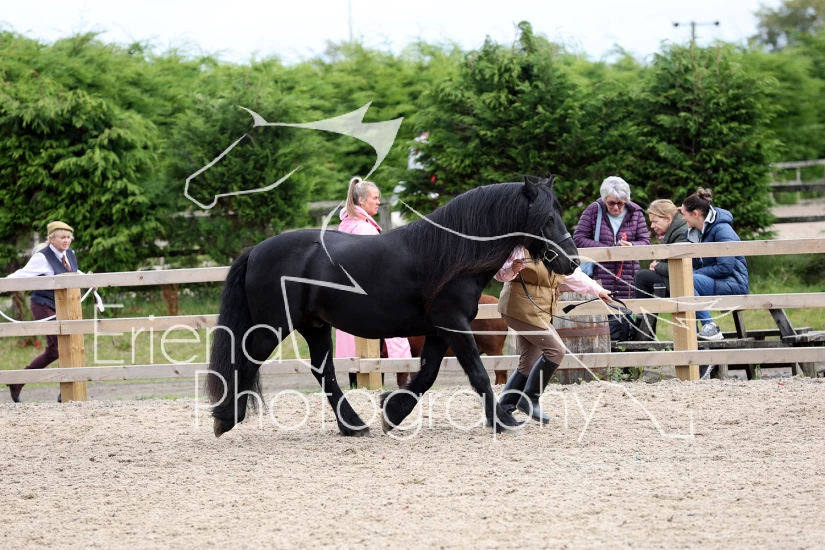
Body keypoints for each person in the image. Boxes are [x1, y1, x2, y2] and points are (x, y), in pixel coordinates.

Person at [495, 247, 610, 423]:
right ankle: (530, 399)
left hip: (538, 311)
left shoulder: (553, 248)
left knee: (528, 363)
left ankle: (502, 413)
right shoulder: (520, 247)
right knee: (556, 350)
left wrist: (598, 290)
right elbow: (500, 274)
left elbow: (572, 274)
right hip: (519, 308)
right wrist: (512, 268)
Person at [335, 176, 412, 388]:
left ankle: (359, 387)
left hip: (348, 299)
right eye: (375, 198)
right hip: (369, 297)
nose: (378, 202)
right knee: (385, 339)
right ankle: (389, 383)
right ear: (362, 200)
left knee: (355, 349)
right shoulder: (364, 229)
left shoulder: (346, 225)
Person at [5, 221, 83, 403]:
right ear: (51, 239)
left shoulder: (70, 254)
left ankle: (18, 382)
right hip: (43, 305)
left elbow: (75, 272)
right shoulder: (42, 257)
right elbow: (22, 274)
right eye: (62, 237)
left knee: (56, 350)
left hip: (64, 306)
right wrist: (3, 284)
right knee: (60, 347)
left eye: (68, 237)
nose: (66, 240)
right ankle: (66, 390)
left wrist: (91, 281)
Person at [679, 188, 749, 342]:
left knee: (688, 280)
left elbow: (725, 267)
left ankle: (710, 326)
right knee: (684, 281)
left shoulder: (723, 229)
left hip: (734, 283)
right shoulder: (695, 233)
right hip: (715, 281)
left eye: (684, 214)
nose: (682, 218)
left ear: (695, 214)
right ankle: (692, 341)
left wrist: (694, 274)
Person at [573, 177, 650, 300]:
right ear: (604, 199)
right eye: (611, 203)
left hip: (628, 277)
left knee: (627, 310)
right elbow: (578, 238)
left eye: (620, 203)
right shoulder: (593, 210)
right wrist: (607, 249)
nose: (616, 207)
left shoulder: (636, 212)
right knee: (602, 310)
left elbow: (645, 242)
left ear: (626, 200)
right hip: (599, 276)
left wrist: (632, 246)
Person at [632, 199, 688, 340]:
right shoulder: (674, 230)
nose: (652, 226)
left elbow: (682, 266)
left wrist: (657, 266)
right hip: (675, 280)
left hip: (683, 283)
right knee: (643, 277)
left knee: (642, 277)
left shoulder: (681, 233)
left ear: (668, 218)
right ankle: (644, 331)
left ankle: (642, 331)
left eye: (655, 221)